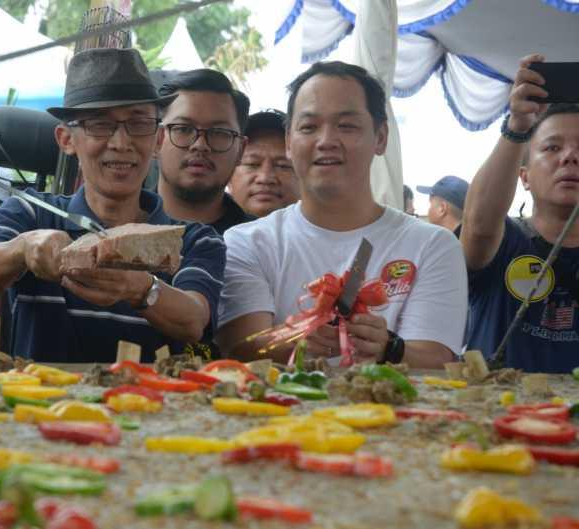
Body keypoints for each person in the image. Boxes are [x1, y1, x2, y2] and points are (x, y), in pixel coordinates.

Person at [0, 48, 226, 362]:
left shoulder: (192, 239)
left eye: (138, 124)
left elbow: (194, 321)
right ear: (66, 139)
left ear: (157, 140)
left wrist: (139, 288)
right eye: (100, 124)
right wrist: (24, 248)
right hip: (37, 406)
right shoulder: (30, 214)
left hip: (148, 407)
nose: (121, 143)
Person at [216, 61, 467, 368]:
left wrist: (389, 348)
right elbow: (240, 346)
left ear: (380, 137)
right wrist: (295, 339)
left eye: (346, 126)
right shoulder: (248, 242)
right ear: (289, 144)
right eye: (309, 127)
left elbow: (437, 358)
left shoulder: (432, 245)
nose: (326, 141)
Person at [461, 53, 579, 373]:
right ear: (524, 176)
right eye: (552, 147)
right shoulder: (506, 241)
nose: (570, 157)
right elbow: (478, 226)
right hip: (498, 416)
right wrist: (517, 126)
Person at [156, 69, 255, 234]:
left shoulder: (261, 245)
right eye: (183, 129)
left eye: (219, 133)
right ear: (156, 141)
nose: (200, 145)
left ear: (240, 150)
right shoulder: (111, 230)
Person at [229, 109, 299, 217]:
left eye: (282, 165)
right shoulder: (199, 232)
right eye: (252, 164)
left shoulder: (328, 231)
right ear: (228, 176)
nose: (265, 178)